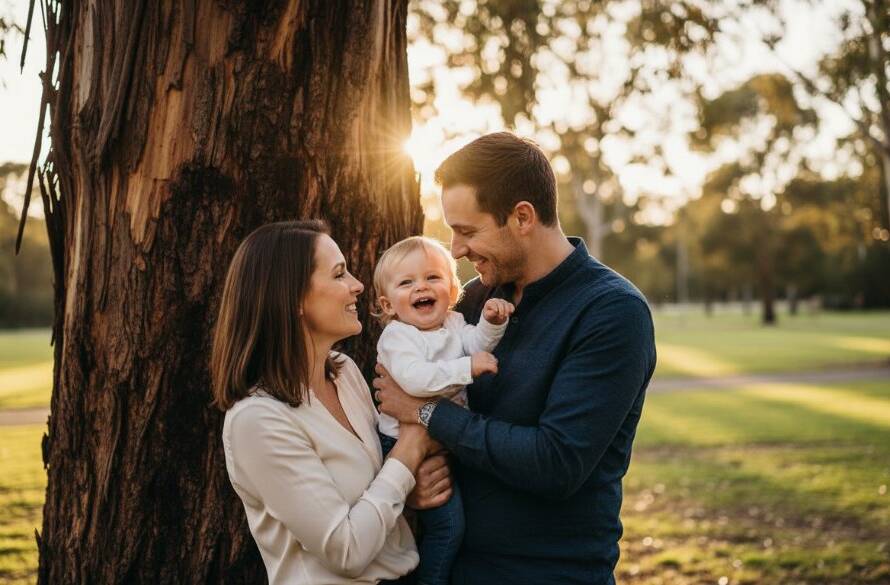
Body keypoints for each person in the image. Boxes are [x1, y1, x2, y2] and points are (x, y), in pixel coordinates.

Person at [375, 133, 657, 585]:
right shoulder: (473, 299)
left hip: (547, 574)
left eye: (468, 231)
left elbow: (555, 463)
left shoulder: (611, 312)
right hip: (451, 567)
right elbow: (405, 394)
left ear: (522, 217)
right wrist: (417, 482)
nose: (456, 249)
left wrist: (427, 413)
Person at [211, 220, 451, 585]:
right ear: (293, 299)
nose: (357, 285)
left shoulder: (344, 372)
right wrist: (412, 445)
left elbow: (380, 486)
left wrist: (409, 491)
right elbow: (346, 550)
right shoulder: (257, 420)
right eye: (339, 274)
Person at [372, 235, 514, 585]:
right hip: (404, 444)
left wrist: (492, 322)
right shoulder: (398, 337)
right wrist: (467, 369)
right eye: (407, 282)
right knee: (448, 528)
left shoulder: (453, 322)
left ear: (452, 291)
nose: (421, 287)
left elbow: (476, 344)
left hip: (445, 436)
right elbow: (415, 380)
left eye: (432, 277)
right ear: (388, 304)